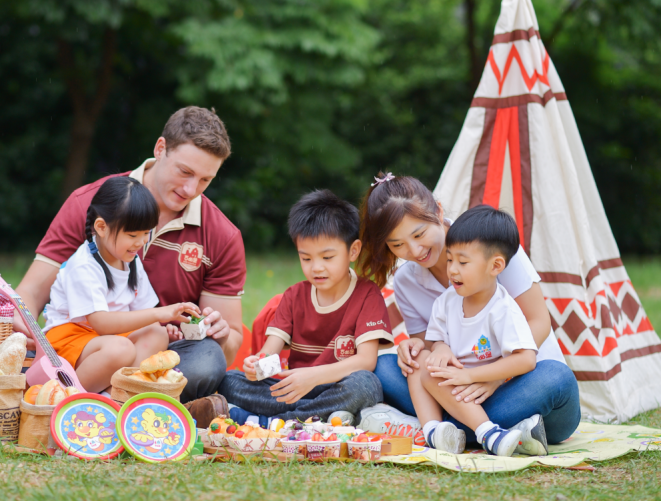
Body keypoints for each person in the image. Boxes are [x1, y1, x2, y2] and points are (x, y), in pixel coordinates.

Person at [14, 107, 245, 414]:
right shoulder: (93, 204)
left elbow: (227, 348)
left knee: (207, 361)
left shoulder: (222, 234)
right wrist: (22, 329)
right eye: (185, 172)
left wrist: (220, 333)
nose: (191, 189)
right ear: (160, 148)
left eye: (205, 180)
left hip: (150, 350)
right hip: (78, 343)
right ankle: (139, 404)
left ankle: (116, 400)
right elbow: (31, 291)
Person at [356, 174, 580, 445]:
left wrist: (494, 378)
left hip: (519, 382)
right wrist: (413, 348)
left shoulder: (490, 245)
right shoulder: (406, 280)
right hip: (455, 388)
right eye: (397, 244)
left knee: (558, 378)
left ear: (438, 211)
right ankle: (495, 432)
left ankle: (437, 428)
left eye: (419, 234)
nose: (414, 250)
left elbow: (538, 322)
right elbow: (431, 347)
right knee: (384, 367)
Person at [219, 190, 392, 425]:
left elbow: (366, 361)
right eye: (306, 258)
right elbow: (269, 354)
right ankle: (323, 418)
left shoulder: (366, 294)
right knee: (228, 380)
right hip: (294, 388)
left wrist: (313, 376)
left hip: (337, 386)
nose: (316, 268)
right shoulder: (294, 296)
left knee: (365, 385)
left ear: (353, 250)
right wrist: (256, 366)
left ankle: (270, 422)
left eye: (327, 257)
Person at [409, 205, 546, 456]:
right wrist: (440, 349)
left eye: (463, 262)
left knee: (555, 377)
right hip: (453, 386)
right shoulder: (446, 301)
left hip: (487, 389)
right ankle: (433, 431)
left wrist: (473, 377)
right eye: (449, 259)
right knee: (419, 365)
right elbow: (436, 340)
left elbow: (526, 359)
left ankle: (487, 433)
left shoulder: (503, 308)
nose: (452, 269)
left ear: (495, 266)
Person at [43, 177, 202, 393]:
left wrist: (160, 324)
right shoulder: (83, 266)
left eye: (147, 233)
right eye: (133, 235)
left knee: (157, 334)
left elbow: (143, 314)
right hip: (71, 338)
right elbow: (102, 324)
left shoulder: (131, 259)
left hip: (109, 340)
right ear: (101, 227)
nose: (141, 242)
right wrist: (160, 314)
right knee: (121, 349)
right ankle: (70, 396)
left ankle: (116, 395)